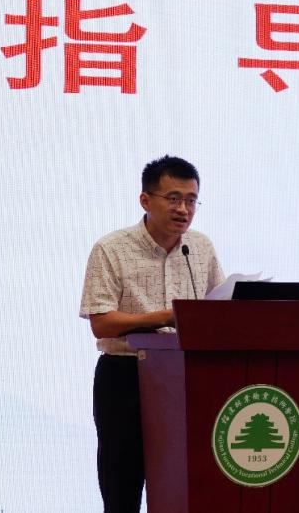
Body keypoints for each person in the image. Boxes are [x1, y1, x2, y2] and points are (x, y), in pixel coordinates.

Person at [80, 155, 225, 513]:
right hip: (127, 376)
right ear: (145, 200)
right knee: (122, 485)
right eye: (173, 198)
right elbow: (101, 322)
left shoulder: (200, 248)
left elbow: (218, 309)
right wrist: (164, 317)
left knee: (187, 483)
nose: (183, 209)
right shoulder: (112, 249)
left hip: (187, 378)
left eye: (191, 200)